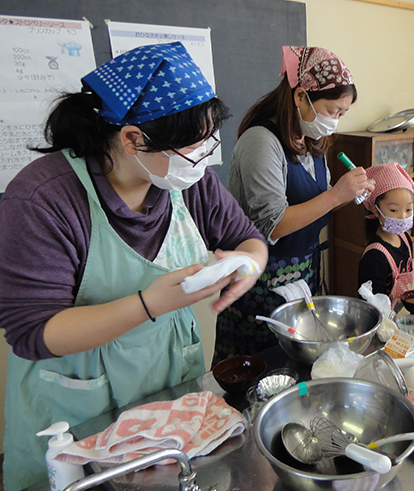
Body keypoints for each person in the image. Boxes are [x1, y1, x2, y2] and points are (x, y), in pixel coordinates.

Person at [0, 42, 268, 490]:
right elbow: (34, 333)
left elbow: (248, 240)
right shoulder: (44, 199)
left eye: (208, 138)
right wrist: (149, 304)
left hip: (165, 385)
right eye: (192, 144)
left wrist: (249, 266)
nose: (203, 155)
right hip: (75, 405)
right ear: (132, 138)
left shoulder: (187, 181)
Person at [214, 46, 372, 363]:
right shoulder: (261, 141)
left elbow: (319, 202)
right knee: (258, 377)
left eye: (343, 114)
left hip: (303, 278)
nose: (336, 122)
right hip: (260, 287)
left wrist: (351, 194)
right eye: (333, 111)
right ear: (301, 97)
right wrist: (336, 195)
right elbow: (274, 223)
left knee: (296, 373)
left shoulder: (312, 140)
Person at [357, 163, 414, 305]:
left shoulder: (405, 239)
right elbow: (370, 306)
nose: (403, 216)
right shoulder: (375, 256)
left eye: (409, 209)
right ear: (375, 209)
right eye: (394, 210)